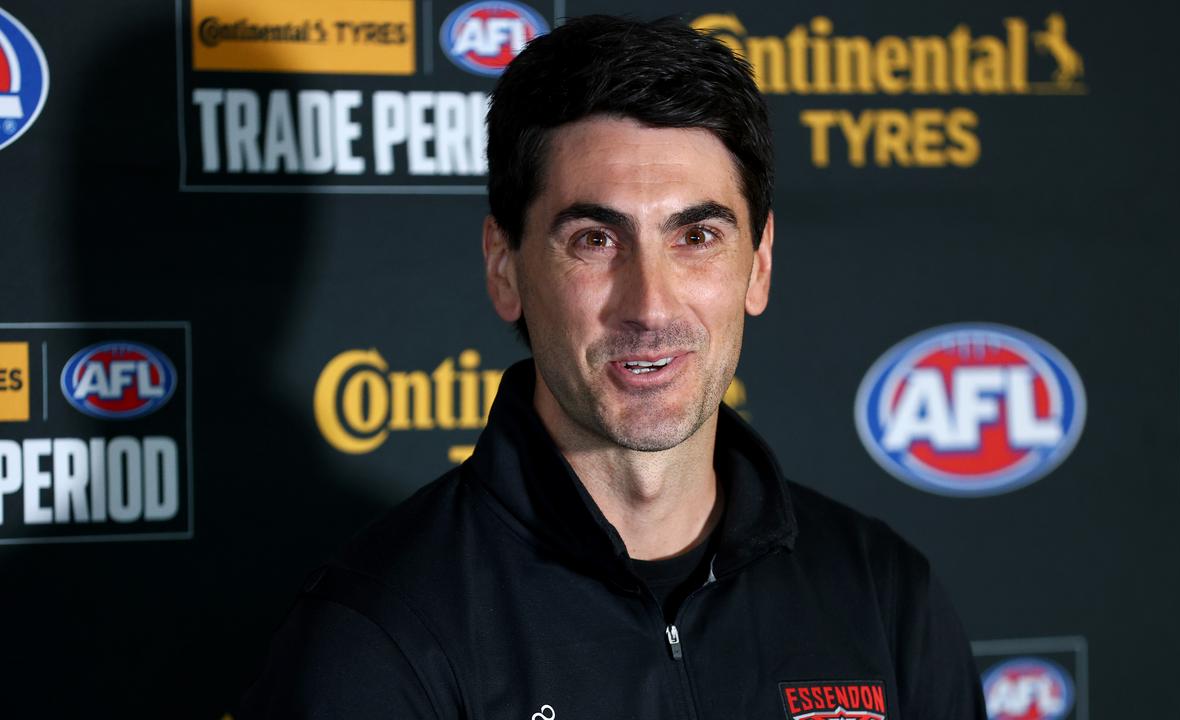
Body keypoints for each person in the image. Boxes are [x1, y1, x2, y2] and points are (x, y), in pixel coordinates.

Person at [242, 15, 985, 720]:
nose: (651, 305)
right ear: (505, 269)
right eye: (596, 239)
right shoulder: (380, 634)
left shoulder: (884, 598)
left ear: (758, 266)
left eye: (696, 236)